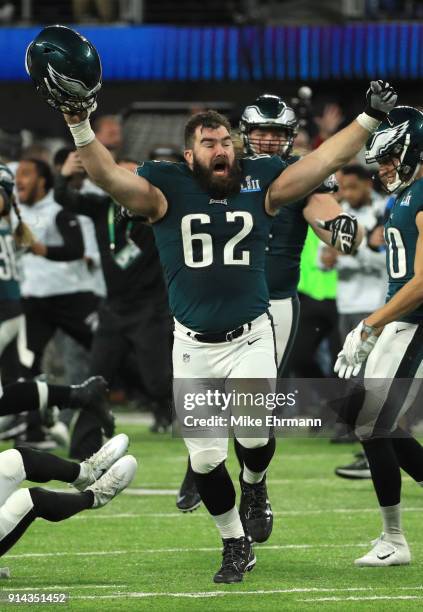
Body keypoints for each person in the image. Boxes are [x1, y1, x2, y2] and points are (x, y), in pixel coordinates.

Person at [25, 21, 398, 584]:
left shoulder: (261, 181)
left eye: (226, 141)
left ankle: (254, 485)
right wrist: (77, 122)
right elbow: (104, 174)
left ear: (237, 146)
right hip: (191, 344)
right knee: (202, 460)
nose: (220, 150)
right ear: (189, 153)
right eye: (209, 143)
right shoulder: (165, 186)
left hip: (251, 334)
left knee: (251, 437)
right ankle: (234, 543)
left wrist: (366, 119)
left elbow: (321, 165)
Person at [177, 94, 363, 513]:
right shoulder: (220, 172)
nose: (266, 140)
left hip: (274, 302)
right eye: (260, 131)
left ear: (289, 138)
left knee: (252, 406)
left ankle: (254, 487)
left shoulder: (299, 176)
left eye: (276, 133)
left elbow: (328, 217)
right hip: (214, 298)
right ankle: (201, 466)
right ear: (244, 133)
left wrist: (341, 230)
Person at [335, 106, 423, 566]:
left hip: (416, 321)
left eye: (390, 157)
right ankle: (393, 539)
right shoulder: (404, 195)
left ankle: (394, 540)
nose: (384, 167)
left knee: (370, 422)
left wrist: (372, 321)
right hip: (403, 320)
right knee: (370, 420)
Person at [54, 150, 172, 457]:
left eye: (135, 178)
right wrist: (65, 174)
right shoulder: (101, 207)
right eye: (121, 176)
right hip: (114, 309)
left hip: (151, 309)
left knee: (159, 383)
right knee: (96, 380)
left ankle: (194, 425)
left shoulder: (159, 211)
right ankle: (83, 450)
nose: (127, 184)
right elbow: (63, 197)